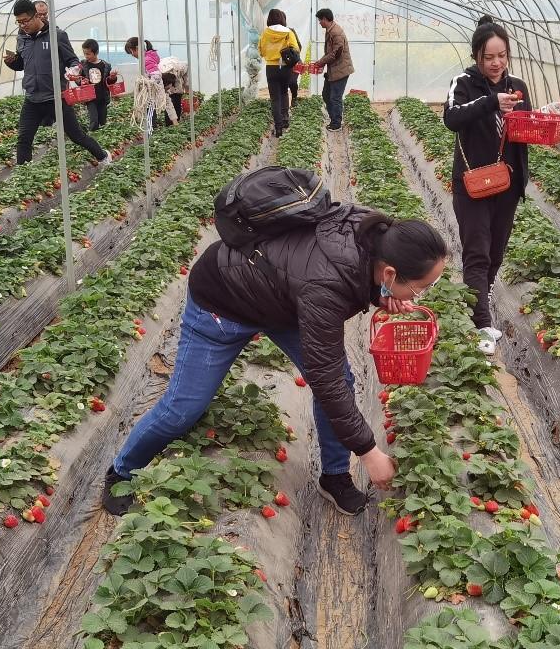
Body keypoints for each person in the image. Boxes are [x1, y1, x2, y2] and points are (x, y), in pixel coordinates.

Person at [102, 208, 449, 517]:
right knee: (183, 407)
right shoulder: (324, 287)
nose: (421, 296)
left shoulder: (374, 235)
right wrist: (370, 452)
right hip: (222, 303)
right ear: (389, 272)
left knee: (341, 382)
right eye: (421, 288)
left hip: (282, 302)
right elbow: (324, 375)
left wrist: (379, 295)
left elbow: (348, 277)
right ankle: (123, 471)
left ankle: (335, 476)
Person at [443, 15, 530, 355]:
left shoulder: (517, 85)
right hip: (474, 184)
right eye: (489, 57)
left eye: (502, 56)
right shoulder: (463, 83)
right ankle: (480, 324)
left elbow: (523, 128)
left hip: (506, 183)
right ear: (477, 56)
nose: (496, 63)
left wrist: (531, 118)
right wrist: (492, 103)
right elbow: (452, 117)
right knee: (477, 253)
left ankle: (478, 301)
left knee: (495, 252)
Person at [3, 0, 109, 166]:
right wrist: (12, 63)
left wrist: (74, 70)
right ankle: (23, 176)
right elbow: (23, 63)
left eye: (25, 21)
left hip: (56, 97)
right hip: (32, 98)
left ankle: (103, 156)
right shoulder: (22, 38)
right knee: (23, 139)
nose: (22, 25)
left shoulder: (57, 35)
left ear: (35, 16)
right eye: (19, 22)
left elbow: (74, 61)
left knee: (76, 136)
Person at [257, 9, 299, 137]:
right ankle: (286, 119)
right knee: (284, 92)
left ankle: (278, 127)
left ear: (269, 19)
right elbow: (296, 48)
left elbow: (261, 50)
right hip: (285, 68)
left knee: (275, 98)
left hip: (271, 68)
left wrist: (271, 54)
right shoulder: (288, 32)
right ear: (281, 18)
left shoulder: (265, 33)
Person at [314, 8, 354, 131]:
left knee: (335, 97)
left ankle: (337, 124)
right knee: (326, 95)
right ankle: (334, 119)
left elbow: (335, 54)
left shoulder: (336, 33)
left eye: (320, 20)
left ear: (325, 19)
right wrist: (320, 63)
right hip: (334, 70)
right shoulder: (330, 30)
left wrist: (320, 63)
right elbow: (329, 53)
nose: (319, 22)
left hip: (340, 70)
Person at [80, 39, 117, 130]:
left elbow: (109, 82)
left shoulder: (105, 65)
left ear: (96, 53)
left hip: (102, 98)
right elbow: (78, 78)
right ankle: (92, 138)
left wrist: (112, 78)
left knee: (102, 121)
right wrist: (81, 82)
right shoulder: (83, 64)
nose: (86, 56)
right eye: (85, 53)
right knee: (94, 121)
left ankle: (102, 140)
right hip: (90, 98)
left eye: (88, 54)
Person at [287, 26, 303, 107]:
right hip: (287, 64)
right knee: (287, 82)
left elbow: (298, 51)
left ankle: (294, 98)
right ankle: (285, 101)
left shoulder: (296, 43)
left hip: (295, 64)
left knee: (292, 82)